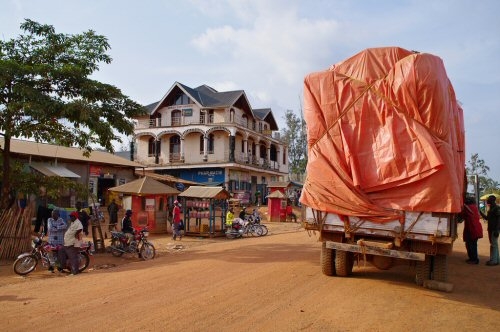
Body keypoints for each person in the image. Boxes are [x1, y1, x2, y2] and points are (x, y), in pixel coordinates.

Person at [58, 211, 83, 275]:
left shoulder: (78, 222)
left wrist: (76, 234)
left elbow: (80, 228)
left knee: (73, 258)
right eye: (70, 216)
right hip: (67, 243)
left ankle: (75, 272)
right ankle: (63, 266)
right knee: (61, 251)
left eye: (72, 216)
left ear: (75, 217)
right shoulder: (73, 222)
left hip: (73, 243)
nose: (70, 217)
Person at [461, 197, 483, 264]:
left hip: (473, 229)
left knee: (472, 245)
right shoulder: (473, 207)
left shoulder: (469, 208)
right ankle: (472, 258)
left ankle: (474, 260)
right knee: (470, 244)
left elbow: (462, 214)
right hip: (473, 229)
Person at [480, 195, 500, 266]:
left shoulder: (496, 208)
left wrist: (497, 230)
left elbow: (498, 220)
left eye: (489, 199)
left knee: (494, 244)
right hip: (491, 229)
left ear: (492, 200)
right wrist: (480, 213)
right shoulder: (491, 208)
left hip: (494, 229)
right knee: (494, 244)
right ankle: (495, 259)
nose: (487, 200)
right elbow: (487, 218)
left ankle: (494, 261)